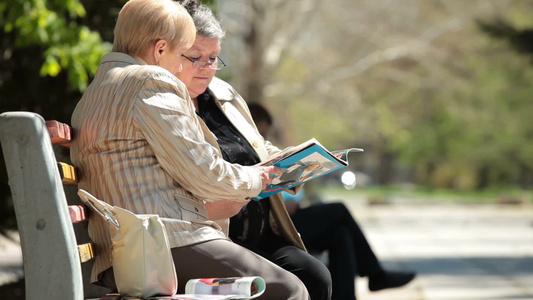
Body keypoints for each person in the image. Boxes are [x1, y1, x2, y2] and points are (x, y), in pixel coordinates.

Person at [70, 0, 308, 299]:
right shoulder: (149, 80)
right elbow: (204, 173)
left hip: (126, 251)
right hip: (164, 243)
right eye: (184, 53)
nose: (183, 67)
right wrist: (257, 178)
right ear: (160, 49)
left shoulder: (98, 88)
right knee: (288, 288)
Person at [175, 1, 332, 299]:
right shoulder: (166, 106)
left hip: (263, 231)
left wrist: (299, 162)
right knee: (293, 285)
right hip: (218, 236)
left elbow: (257, 146)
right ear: (169, 52)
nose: (207, 68)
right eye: (196, 57)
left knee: (315, 274)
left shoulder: (223, 93)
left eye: (214, 58)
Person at [249, 102, 417, 300]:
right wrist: (284, 204)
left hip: (290, 214)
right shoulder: (242, 151)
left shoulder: (261, 150)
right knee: (339, 210)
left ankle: (360, 287)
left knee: (341, 234)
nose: (264, 139)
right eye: (262, 133)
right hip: (276, 221)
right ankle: (375, 274)